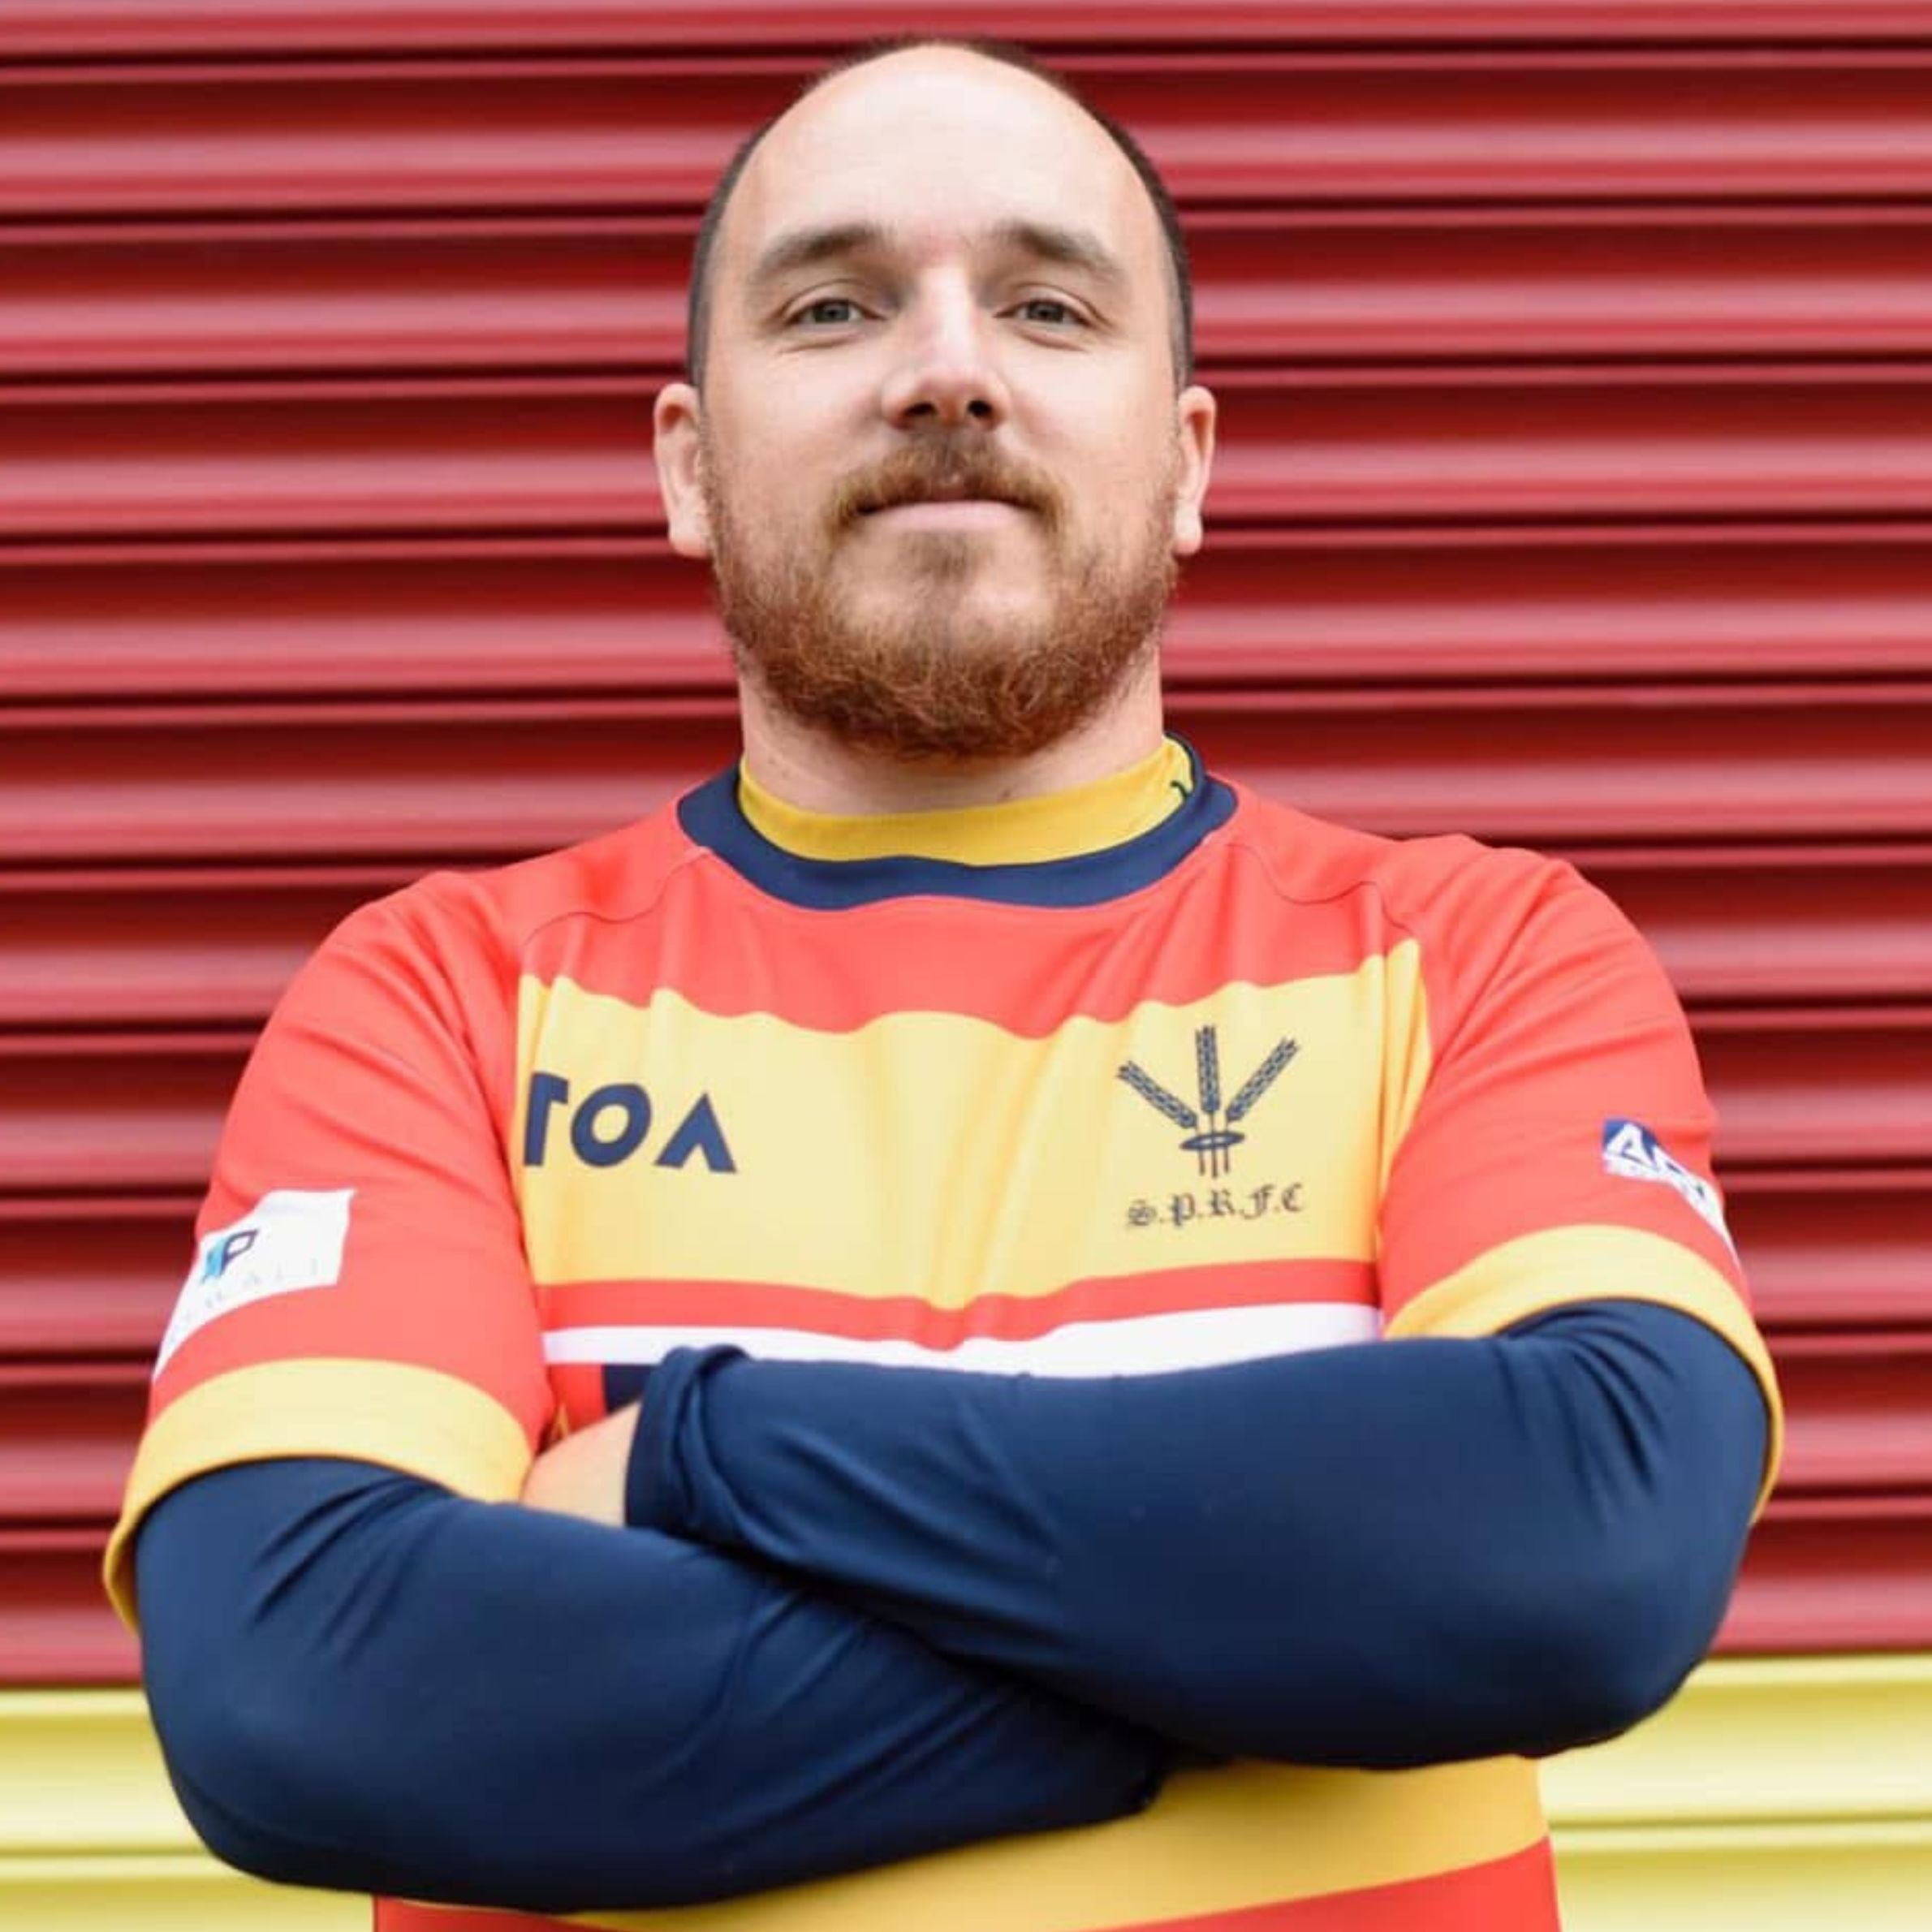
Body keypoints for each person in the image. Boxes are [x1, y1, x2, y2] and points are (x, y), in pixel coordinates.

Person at [110, 37, 1781, 1932]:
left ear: (1186, 463)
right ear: (685, 465)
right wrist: (1258, 1655)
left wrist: (698, 1448)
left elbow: (1575, 1545)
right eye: (829, 306)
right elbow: (311, 1694)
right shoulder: (440, 998)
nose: (944, 369)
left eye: (1045, 305)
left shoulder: (1475, 954)